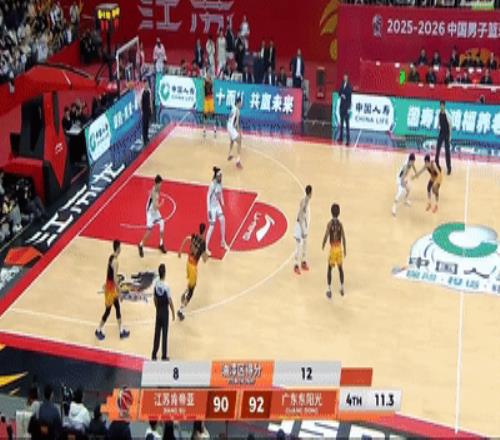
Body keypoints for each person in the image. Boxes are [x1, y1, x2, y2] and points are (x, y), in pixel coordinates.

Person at [95, 240, 130, 340]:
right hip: (111, 289)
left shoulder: (111, 257)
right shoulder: (116, 262)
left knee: (117, 307)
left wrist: (106, 282)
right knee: (108, 311)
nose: (121, 249)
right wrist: (120, 292)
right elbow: (114, 278)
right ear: (118, 248)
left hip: (109, 287)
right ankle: (98, 329)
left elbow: (108, 272)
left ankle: (121, 330)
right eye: (120, 247)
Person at [177, 223, 208, 321]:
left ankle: (185, 292)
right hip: (193, 267)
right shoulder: (203, 243)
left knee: (191, 283)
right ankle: (181, 310)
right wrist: (207, 256)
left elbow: (186, 239)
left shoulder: (194, 236)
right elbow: (204, 259)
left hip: (188, 263)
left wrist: (180, 251)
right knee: (192, 291)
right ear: (205, 231)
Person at [322, 203, 346, 298]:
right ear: (339, 213)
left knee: (329, 269)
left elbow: (326, 235)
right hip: (339, 248)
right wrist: (345, 249)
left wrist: (323, 243)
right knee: (340, 269)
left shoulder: (330, 224)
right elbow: (343, 237)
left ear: (331, 212)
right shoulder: (340, 224)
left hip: (333, 249)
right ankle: (342, 287)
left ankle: (329, 289)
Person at [139, 175, 167, 257]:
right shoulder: (154, 192)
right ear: (157, 183)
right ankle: (140, 245)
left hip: (154, 211)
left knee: (162, 222)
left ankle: (161, 244)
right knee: (149, 231)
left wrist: (158, 204)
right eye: (160, 184)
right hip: (150, 212)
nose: (161, 185)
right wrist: (162, 203)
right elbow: (155, 207)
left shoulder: (157, 189)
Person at [152, 263, 175, 361]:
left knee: (157, 333)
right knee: (164, 334)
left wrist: (156, 308)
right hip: (165, 312)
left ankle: (154, 354)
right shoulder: (166, 286)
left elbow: (154, 297)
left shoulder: (156, 284)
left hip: (159, 310)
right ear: (164, 273)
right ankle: (164, 356)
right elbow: (170, 301)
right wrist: (173, 312)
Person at [205, 167, 228, 256]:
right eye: (220, 176)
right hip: (212, 207)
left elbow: (221, 193)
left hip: (217, 205)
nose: (221, 177)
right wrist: (209, 210)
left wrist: (222, 203)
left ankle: (223, 241)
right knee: (211, 227)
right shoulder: (212, 185)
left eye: (221, 176)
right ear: (216, 176)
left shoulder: (220, 183)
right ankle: (206, 247)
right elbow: (208, 197)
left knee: (222, 220)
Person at [294, 185, 312, 275]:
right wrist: (302, 229)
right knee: (299, 246)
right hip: (299, 225)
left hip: (303, 224)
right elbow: (300, 215)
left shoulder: (307, 200)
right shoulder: (304, 202)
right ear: (310, 193)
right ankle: (296, 265)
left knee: (305, 243)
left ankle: (303, 262)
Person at [435, 100, 452, 175]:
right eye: (440, 105)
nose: (441, 106)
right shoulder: (439, 113)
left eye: (442, 105)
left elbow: (450, 125)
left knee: (447, 151)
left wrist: (450, 136)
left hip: (447, 134)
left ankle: (449, 168)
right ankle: (437, 165)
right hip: (441, 133)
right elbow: (439, 120)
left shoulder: (447, 114)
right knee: (437, 149)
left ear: (444, 106)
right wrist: (437, 126)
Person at [227, 96, 243, 168]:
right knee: (239, 141)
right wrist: (239, 133)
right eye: (240, 103)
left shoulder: (233, 107)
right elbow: (236, 124)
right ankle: (238, 161)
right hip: (231, 127)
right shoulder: (237, 111)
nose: (241, 104)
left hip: (228, 125)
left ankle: (230, 154)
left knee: (232, 141)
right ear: (238, 103)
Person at [338, 73, 352, 146]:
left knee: (347, 124)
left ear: (347, 78)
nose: (344, 78)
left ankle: (348, 140)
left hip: (346, 107)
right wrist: (341, 95)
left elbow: (349, 98)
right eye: (344, 77)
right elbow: (339, 92)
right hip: (342, 106)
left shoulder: (349, 86)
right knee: (341, 123)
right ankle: (341, 137)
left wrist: (349, 108)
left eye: (346, 77)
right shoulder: (342, 85)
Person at [202, 73, 216, 138]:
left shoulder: (211, 83)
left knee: (212, 115)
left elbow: (211, 84)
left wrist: (208, 79)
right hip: (206, 100)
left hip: (210, 100)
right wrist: (205, 79)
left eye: (208, 76)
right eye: (206, 76)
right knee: (205, 115)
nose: (207, 77)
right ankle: (204, 130)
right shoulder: (204, 82)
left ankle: (214, 129)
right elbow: (203, 86)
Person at [141, 80, 153, 146]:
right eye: (146, 84)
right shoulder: (142, 91)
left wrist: (151, 109)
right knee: (144, 125)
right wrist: (141, 111)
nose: (147, 85)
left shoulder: (149, 91)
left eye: (147, 84)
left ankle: (147, 136)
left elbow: (150, 100)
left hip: (148, 109)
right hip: (144, 110)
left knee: (147, 124)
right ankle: (144, 138)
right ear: (144, 84)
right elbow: (140, 102)